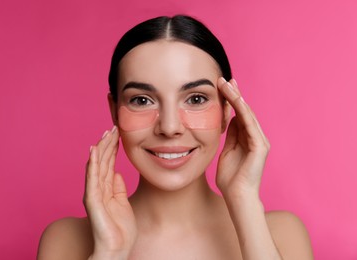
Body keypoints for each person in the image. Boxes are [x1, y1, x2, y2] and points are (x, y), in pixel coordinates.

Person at [37, 15, 313, 259]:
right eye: (142, 100)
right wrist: (110, 252)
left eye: (195, 98)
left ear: (228, 110)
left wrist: (244, 202)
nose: (169, 127)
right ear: (115, 111)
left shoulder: (281, 233)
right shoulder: (66, 241)